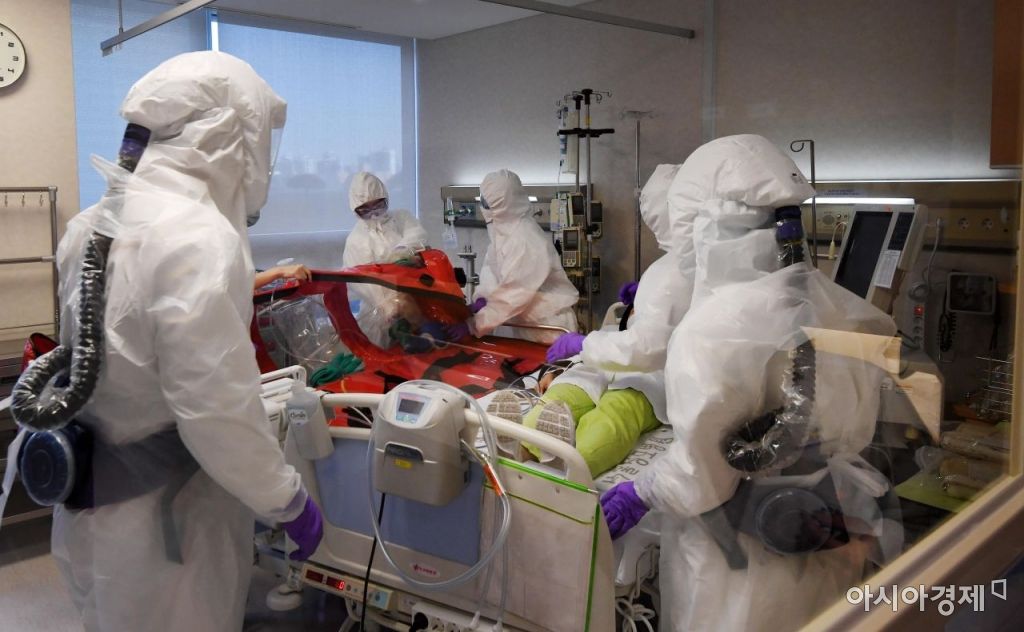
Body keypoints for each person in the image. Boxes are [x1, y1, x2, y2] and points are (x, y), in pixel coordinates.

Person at [48, 52, 322, 632]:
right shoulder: (198, 239)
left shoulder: (87, 226)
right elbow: (215, 409)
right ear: (231, 136)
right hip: (170, 524)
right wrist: (286, 500)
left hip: (91, 507)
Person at [600, 135, 902, 632]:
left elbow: (702, 475)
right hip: (816, 532)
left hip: (737, 559)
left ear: (703, 224)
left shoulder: (711, 331)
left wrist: (641, 490)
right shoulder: (837, 305)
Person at [517, 165, 696, 476]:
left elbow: (647, 348)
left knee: (616, 413)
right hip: (612, 349)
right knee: (569, 390)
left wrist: (584, 343)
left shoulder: (680, 270)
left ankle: (569, 469)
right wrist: (641, 300)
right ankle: (528, 441)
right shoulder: (677, 264)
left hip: (652, 370)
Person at [449, 169, 578, 344]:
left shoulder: (525, 239)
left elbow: (515, 293)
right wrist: (484, 298)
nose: (484, 205)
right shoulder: (502, 232)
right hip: (523, 324)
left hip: (549, 326)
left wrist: (474, 324)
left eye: (488, 201)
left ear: (502, 203)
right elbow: (492, 268)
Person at [342, 171, 429, 347]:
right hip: (379, 315)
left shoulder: (401, 218)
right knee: (386, 355)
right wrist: (386, 305)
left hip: (416, 300)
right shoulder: (356, 241)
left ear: (385, 199)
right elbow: (361, 280)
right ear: (355, 208)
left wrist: (402, 251)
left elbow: (417, 235)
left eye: (378, 206)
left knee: (425, 349)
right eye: (366, 210)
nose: (374, 214)